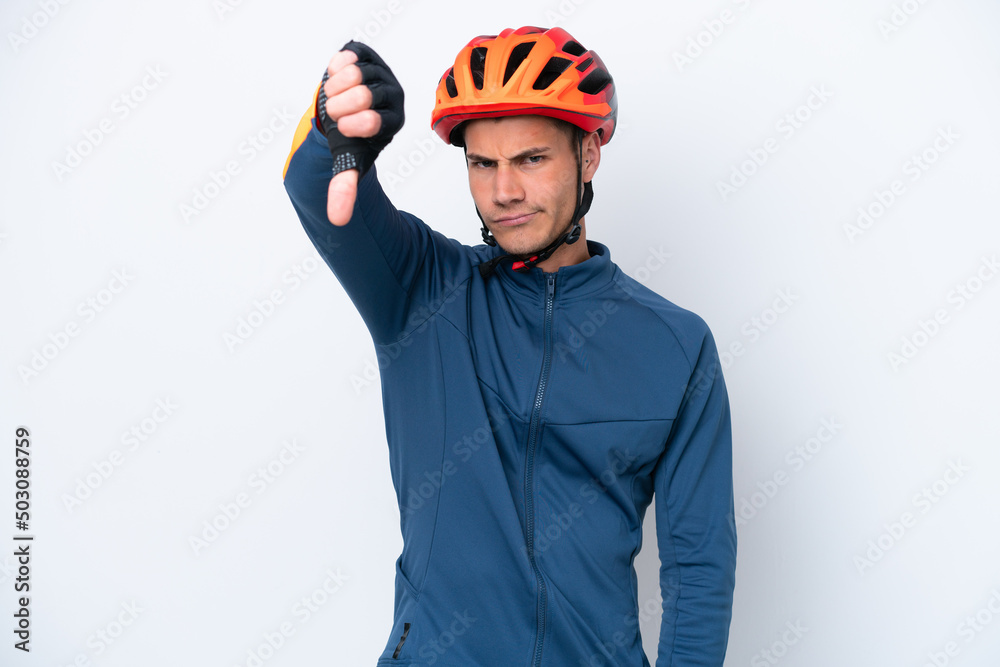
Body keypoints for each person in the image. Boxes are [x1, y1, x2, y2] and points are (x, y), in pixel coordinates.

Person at [283, 26, 736, 667]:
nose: (504, 192)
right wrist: (336, 131)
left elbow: (698, 563)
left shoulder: (676, 345)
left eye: (531, 159)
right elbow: (316, 195)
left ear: (588, 156)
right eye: (481, 163)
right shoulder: (421, 290)